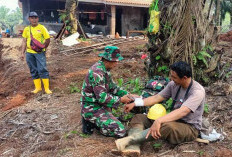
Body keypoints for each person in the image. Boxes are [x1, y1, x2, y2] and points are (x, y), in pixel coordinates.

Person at [115, 61, 205, 156]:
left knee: (167, 126)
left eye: (174, 77)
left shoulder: (197, 91)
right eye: (171, 76)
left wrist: (159, 121)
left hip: (189, 128)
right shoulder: (173, 85)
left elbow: (183, 111)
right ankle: (134, 147)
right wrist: (135, 103)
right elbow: (156, 98)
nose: (171, 79)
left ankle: (129, 140)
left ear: (184, 78)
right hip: (173, 120)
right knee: (139, 118)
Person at [81, 46, 134, 137]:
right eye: (115, 60)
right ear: (108, 60)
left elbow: (113, 88)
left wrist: (128, 95)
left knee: (116, 122)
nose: (117, 63)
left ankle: (101, 120)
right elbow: (102, 98)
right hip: (92, 108)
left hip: (100, 105)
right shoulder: (97, 73)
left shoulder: (105, 69)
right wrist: (121, 99)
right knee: (120, 131)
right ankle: (90, 121)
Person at [21, 12, 52, 94]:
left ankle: (47, 88)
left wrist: (44, 48)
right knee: (33, 69)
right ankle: (38, 88)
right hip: (29, 53)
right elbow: (24, 41)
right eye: (32, 18)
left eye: (35, 18)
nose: (34, 19)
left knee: (42, 69)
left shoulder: (42, 28)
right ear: (29, 19)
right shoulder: (27, 29)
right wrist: (22, 53)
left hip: (39, 53)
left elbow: (48, 39)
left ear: (38, 19)